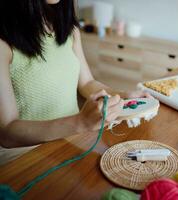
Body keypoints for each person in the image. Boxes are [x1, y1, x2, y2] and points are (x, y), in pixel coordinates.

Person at [0, 0, 150, 165]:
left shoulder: (69, 29)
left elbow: (87, 83)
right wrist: (80, 122)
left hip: (72, 141)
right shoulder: (3, 42)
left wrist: (122, 95)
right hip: (25, 159)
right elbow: (7, 133)